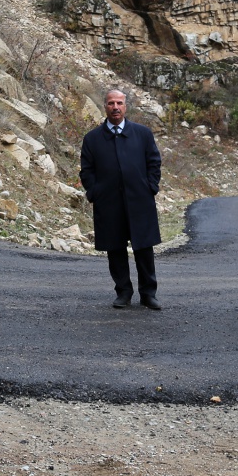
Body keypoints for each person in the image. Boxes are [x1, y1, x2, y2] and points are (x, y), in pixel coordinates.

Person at [79, 88, 163, 310]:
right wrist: (95, 192)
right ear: (104, 107)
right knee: (115, 249)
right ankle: (123, 292)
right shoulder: (92, 138)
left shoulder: (142, 134)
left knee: (144, 248)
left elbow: (154, 162)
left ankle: (148, 293)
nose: (115, 107)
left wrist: (150, 187)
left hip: (140, 200)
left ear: (125, 106)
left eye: (119, 103)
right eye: (110, 103)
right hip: (108, 203)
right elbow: (86, 171)